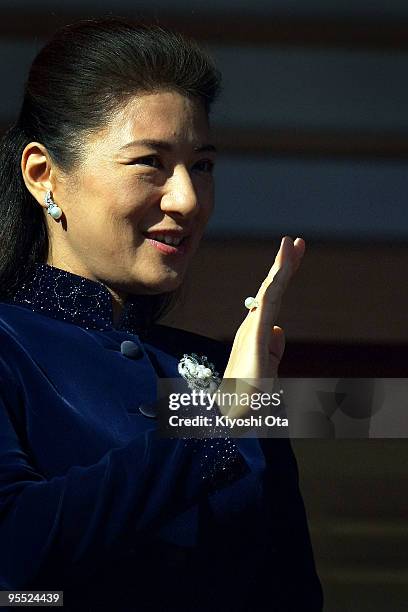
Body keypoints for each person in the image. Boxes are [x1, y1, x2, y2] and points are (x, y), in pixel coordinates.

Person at [0, 16, 323, 612]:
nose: (189, 200)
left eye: (202, 165)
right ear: (43, 175)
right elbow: (16, 561)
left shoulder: (224, 371)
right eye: (150, 162)